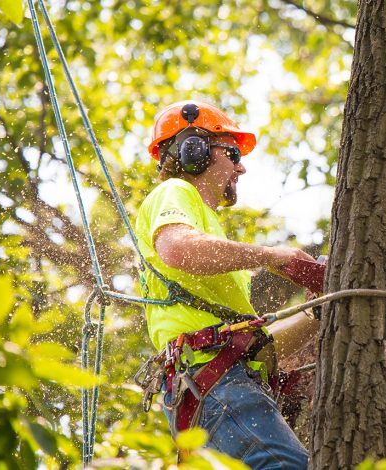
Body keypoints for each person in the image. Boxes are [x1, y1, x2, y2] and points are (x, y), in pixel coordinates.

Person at [134, 100, 316, 468]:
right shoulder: (175, 192)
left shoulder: (208, 227)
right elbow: (178, 250)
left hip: (222, 383)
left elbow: (252, 343)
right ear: (194, 151)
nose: (241, 166)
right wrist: (272, 255)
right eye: (232, 153)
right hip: (216, 382)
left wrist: (319, 315)